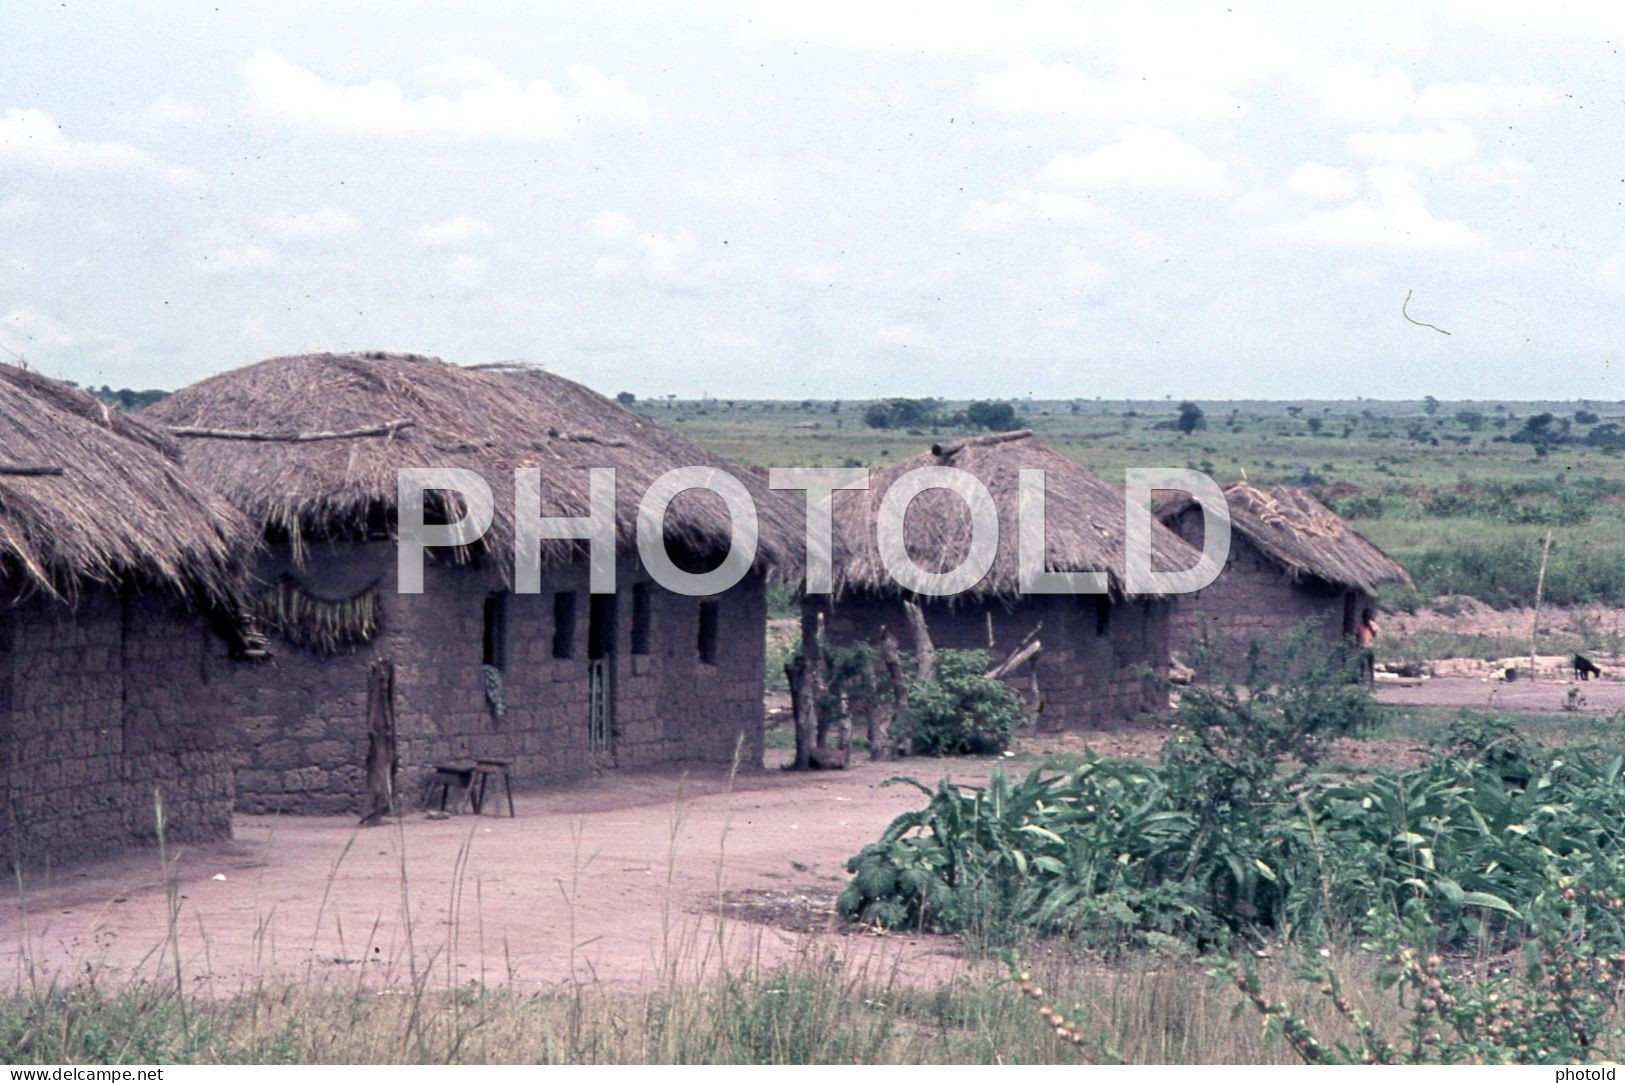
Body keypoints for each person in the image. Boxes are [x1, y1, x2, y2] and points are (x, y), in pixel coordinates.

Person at [1356, 608, 1379, 684]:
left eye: (1368, 616)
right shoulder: (1359, 625)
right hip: (1362, 647)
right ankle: (1362, 680)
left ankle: (1372, 681)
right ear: (1363, 617)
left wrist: (1370, 625)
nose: (1366, 618)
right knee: (1362, 665)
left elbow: (1374, 635)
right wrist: (1358, 645)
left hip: (1370, 647)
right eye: (1365, 616)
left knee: (1370, 665)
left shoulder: (1373, 624)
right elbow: (1357, 636)